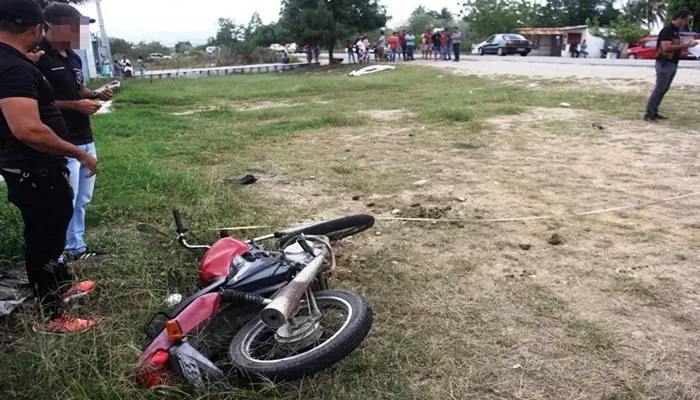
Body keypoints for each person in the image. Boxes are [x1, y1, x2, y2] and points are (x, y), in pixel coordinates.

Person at [0, 0, 98, 334]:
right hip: (34, 170)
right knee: (43, 242)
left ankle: (60, 287)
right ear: (33, 29)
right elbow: (27, 128)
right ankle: (52, 316)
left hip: (36, 169)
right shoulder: (14, 68)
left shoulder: (14, 63)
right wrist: (78, 153)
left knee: (53, 233)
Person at [37, 1, 113, 263]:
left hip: (84, 136)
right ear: (53, 27)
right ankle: (54, 257)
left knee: (82, 199)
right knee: (62, 201)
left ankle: (76, 247)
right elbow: (34, 101)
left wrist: (94, 94)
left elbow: (79, 90)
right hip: (59, 140)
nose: (80, 33)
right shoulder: (37, 57)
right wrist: (75, 105)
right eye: (75, 27)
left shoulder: (74, 57)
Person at [645, 9, 698, 123]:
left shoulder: (676, 31)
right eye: (686, 20)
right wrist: (684, 45)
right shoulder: (667, 30)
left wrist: (686, 43)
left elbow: (675, 44)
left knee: (664, 89)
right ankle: (649, 114)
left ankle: (654, 111)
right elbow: (665, 47)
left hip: (672, 63)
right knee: (659, 89)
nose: (686, 23)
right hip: (664, 63)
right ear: (680, 18)